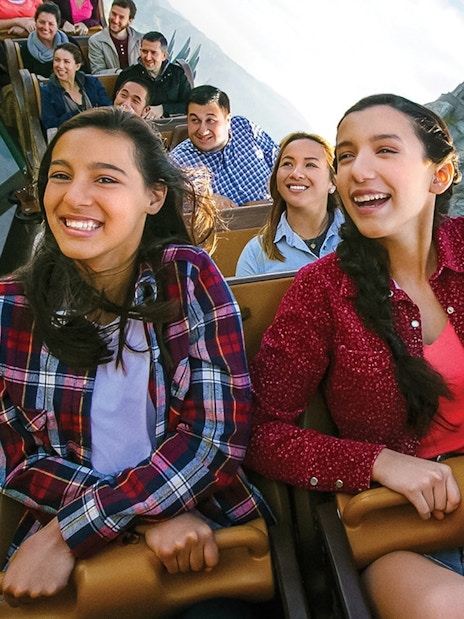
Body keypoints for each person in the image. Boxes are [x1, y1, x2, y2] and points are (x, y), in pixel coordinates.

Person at [0, 107, 271, 617]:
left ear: (153, 195)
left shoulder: (185, 278)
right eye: (61, 175)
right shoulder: (9, 308)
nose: (74, 196)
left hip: (203, 536)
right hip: (78, 555)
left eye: (106, 178)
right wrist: (142, 518)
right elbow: (18, 459)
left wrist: (73, 529)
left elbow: (214, 439)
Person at [245, 93, 464, 618]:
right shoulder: (320, 290)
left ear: (440, 175)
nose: (357, 170)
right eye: (345, 156)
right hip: (403, 534)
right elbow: (256, 430)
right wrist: (378, 462)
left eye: (384, 150)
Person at [236, 132, 343, 276]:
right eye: (287, 164)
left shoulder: (361, 238)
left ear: (333, 181)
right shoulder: (256, 253)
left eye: (310, 165)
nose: (296, 173)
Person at [169, 85, 279, 207]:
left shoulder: (244, 127)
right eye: (195, 120)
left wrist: (272, 202)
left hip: (277, 217)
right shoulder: (178, 160)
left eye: (210, 120)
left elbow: (280, 162)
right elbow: (173, 207)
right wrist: (204, 202)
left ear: (227, 120)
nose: (202, 130)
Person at [113, 31, 192, 118]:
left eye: (153, 53)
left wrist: (163, 109)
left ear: (164, 55)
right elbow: (115, 104)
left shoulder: (178, 74)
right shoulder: (127, 75)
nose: (148, 57)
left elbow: (190, 104)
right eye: (144, 51)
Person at [40, 42, 111, 131]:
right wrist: (81, 114)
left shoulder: (92, 82)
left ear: (77, 66)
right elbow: (50, 125)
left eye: (66, 62)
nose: (60, 66)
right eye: (57, 60)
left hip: (98, 133)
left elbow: (108, 109)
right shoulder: (46, 91)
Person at [88, 0, 142, 75]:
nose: (116, 20)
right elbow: (97, 72)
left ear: (130, 21)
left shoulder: (141, 40)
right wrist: (119, 72)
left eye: (121, 17)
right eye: (113, 14)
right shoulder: (96, 41)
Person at [21, 1, 68, 79]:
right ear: (35, 22)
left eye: (51, 24)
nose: (46, 28)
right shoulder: (26, 48)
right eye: (42, 22)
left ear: (58, 25)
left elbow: (82, 73)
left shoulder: (69, 43)